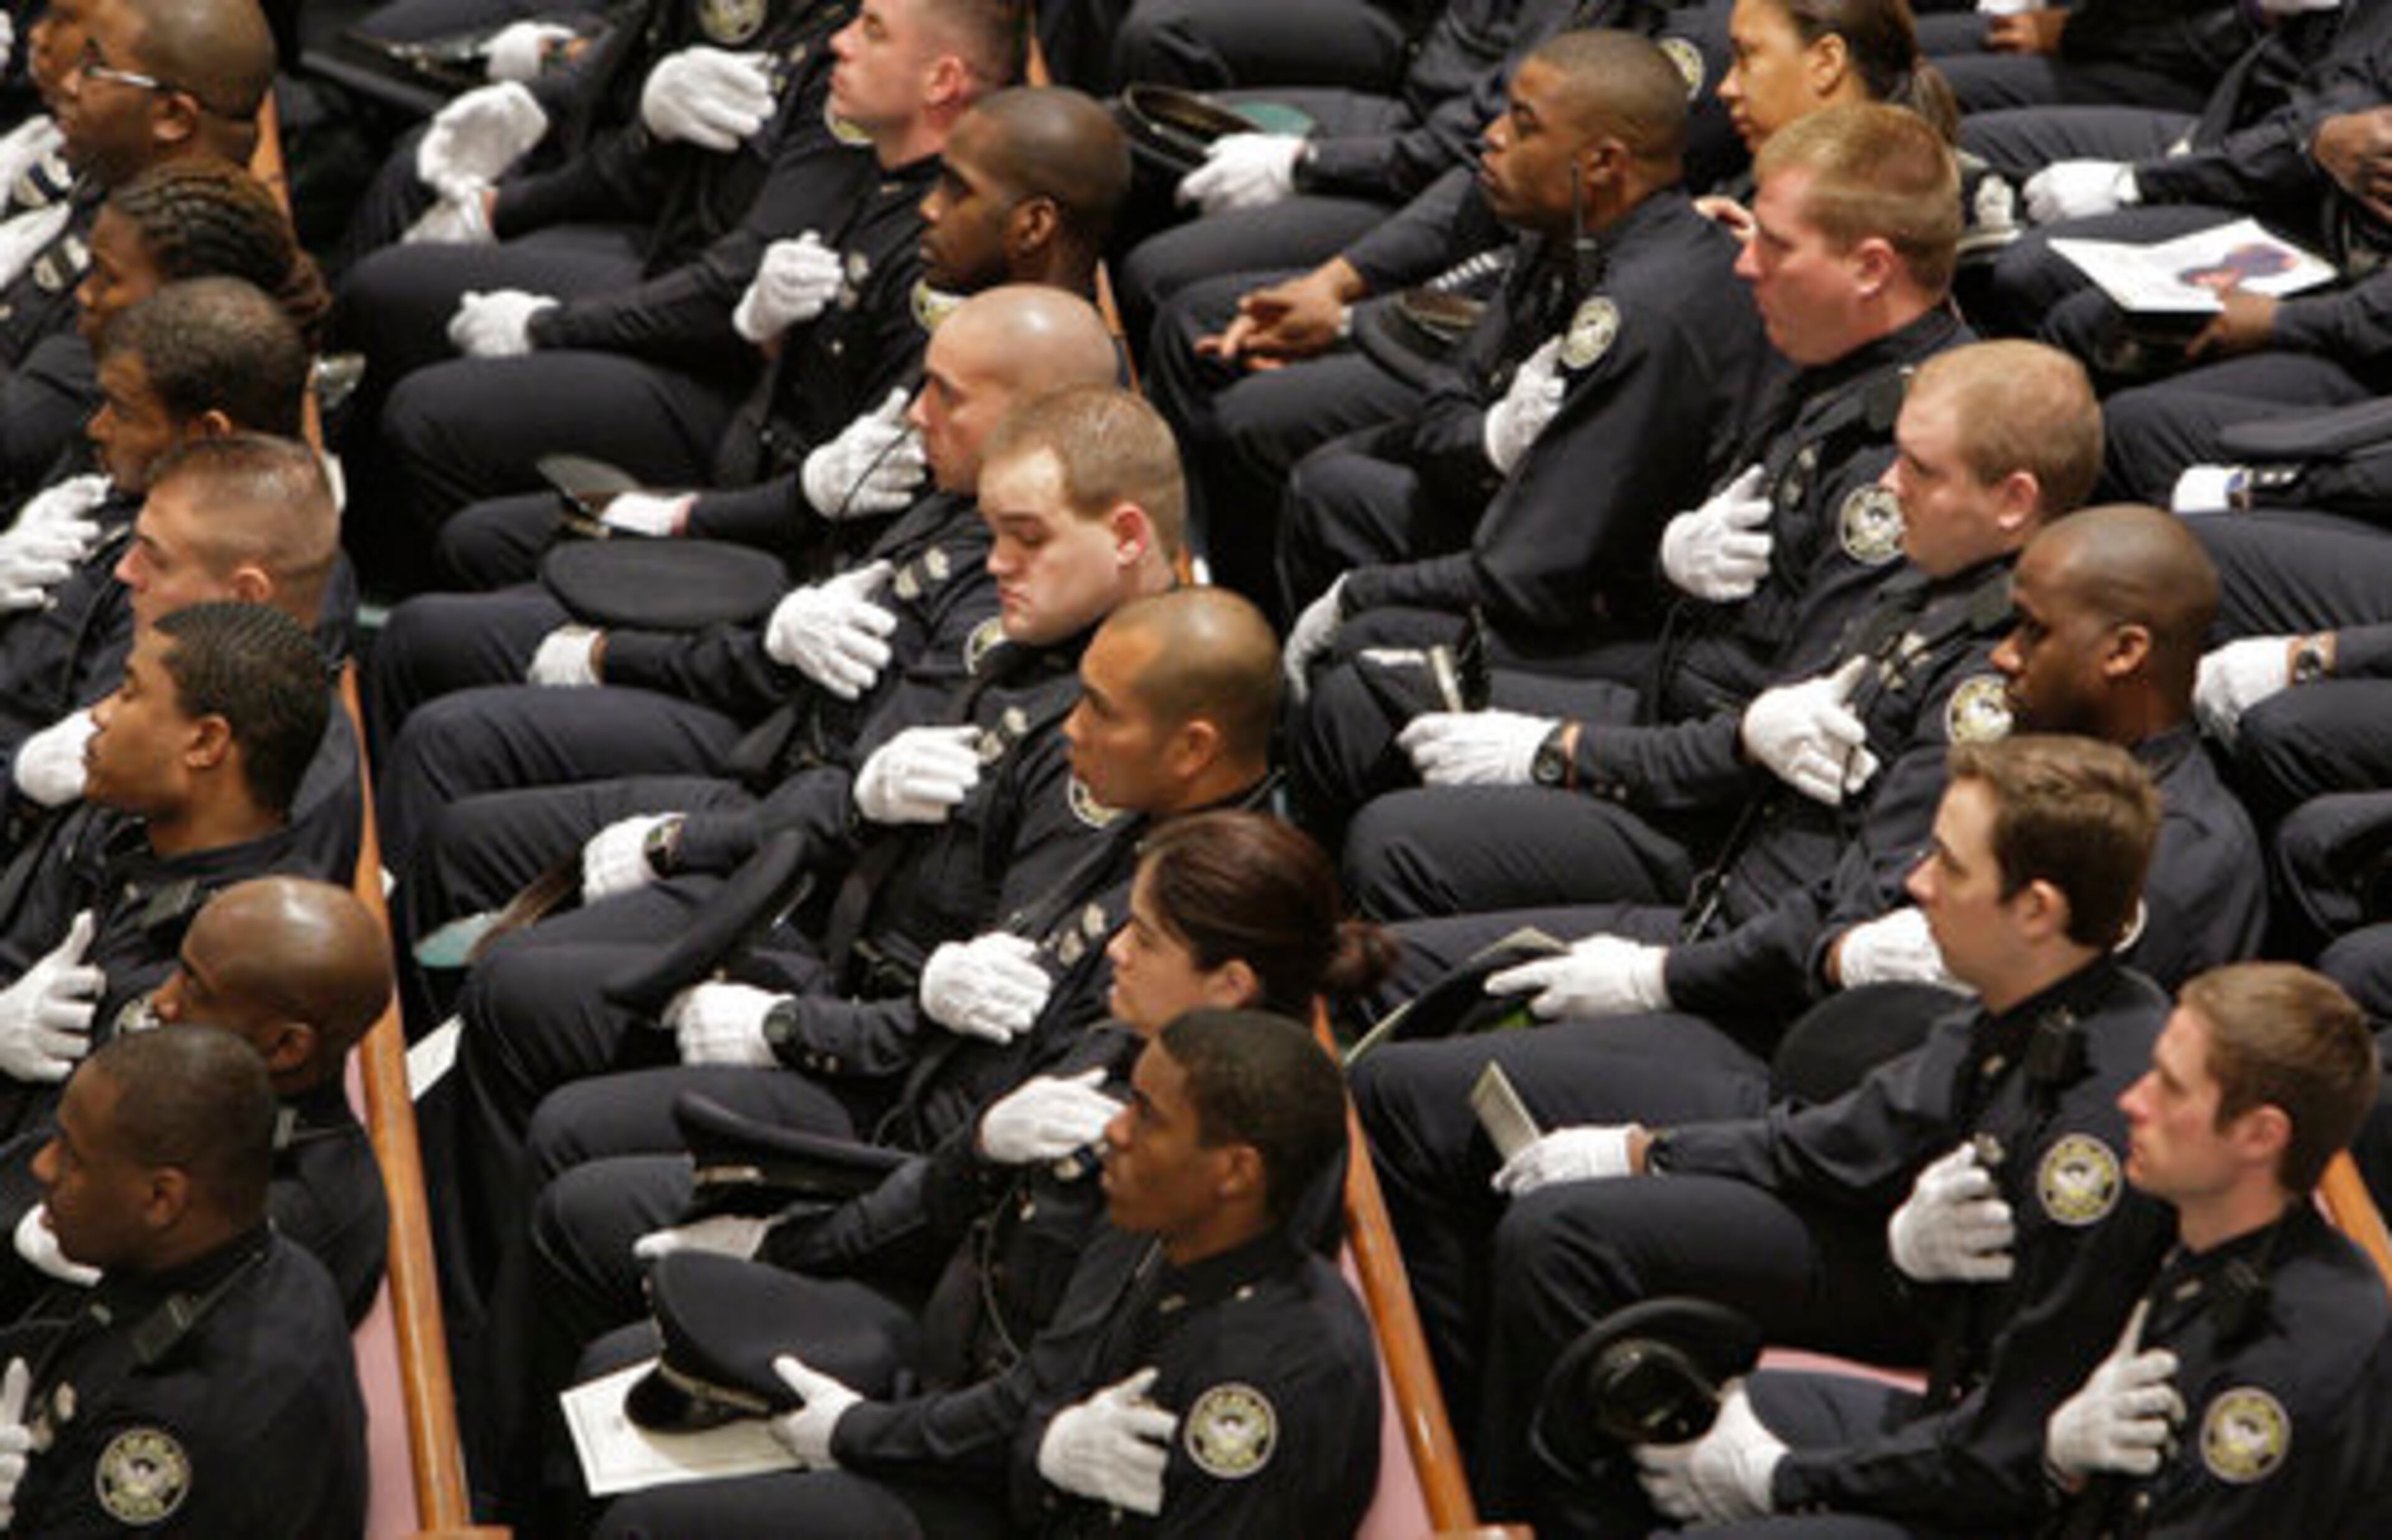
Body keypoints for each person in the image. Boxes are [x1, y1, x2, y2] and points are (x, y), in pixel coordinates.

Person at [491, 811, 1392, 1528]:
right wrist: (791, 1239)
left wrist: (856, 1433)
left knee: (655, 1519)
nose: (1115, 947)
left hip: (988, 1439)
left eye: (1146, 937)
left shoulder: (1200, 1152)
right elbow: (969, 1168)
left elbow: (1049, 1388)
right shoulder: (1139, 1043)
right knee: (613, 1362)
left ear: (1229, 984)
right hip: (952, 1339)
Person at [1440, 735, 2176, 1523]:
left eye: (1951, 867)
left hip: (2013, 1480)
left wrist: (1785, 1478)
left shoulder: (2095, 1140)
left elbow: (2009, 1447)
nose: (1916, 884)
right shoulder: (2020, 1003)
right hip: (1945, 1354)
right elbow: (1844, 1137)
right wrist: (1641, 1150)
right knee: (1565, 1234)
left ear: (2036, 910)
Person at [1289, 100, 1969, 832]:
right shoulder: (1824, 353)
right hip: (1676, 681)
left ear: (1870, 268)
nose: (1742, 262)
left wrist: (1563, 751)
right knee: (1366, 676)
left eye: (1773, 244)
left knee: (1384, 796)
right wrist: (1667, 557)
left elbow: (1788, 740)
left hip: (1717, 796)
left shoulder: (1915, 455)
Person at [368, 283, 1123, 874]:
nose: (918, 415)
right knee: (441, 641)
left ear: (1039, 416)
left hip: (775, 791)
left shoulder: (1013, 571)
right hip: (764, 709)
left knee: (456, 764)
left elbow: (848, 769)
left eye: (946, 396)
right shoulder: (954, 476)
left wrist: (677, 836)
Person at [1622, 963, 2389, 1536]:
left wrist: (1788, 1483)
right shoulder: (2204, 1222)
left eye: (2171, 1088)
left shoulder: (2288, 1368)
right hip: (2023, 1479)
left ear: (2260, 1136)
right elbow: (2013, 1404)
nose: (2132, 1102)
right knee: (1691, 1409)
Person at [587, 1008, 1380, 1540]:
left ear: (1235, 1171)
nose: (1115, 1131)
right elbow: (1050, 1395)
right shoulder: (1185, 1248)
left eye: (1148, 1115)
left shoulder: (1262, 1385)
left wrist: (1025, 1453)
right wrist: (1046, 1448)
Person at [1269, 29, 1772, 666]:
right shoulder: (1561, 231)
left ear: (1603, 165)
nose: (1493, 136)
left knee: (1365, 642)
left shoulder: (1645, 311)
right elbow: (1445, 399)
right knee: (1329, 487)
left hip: (1623, 599)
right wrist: (1493, 438)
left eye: (1525, 126)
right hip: (1537, 520)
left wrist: (1357, 594)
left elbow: (1535, 572)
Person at [0, 1027, 366, 1535]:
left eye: (72, 1156)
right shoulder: (272, 1262)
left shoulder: (173, 1432)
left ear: (161, 1199)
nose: (42, 1167)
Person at [0, 602, 340, 1141]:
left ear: (205, 743)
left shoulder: (225, 962)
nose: (101, 715)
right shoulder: (124, 816)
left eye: (129, 693)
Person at [0, 876, 394, 1325]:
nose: (163, 1001)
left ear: (286, 1046)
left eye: (195, 988)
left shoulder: (288, 1211)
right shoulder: (203, 1087)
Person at [0, 278, 317, 821]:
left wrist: (16, 778)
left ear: (205, 433)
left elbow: (75, 786)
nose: (97, 427)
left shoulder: (196, 579)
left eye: (121, 411)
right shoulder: (143, 495)